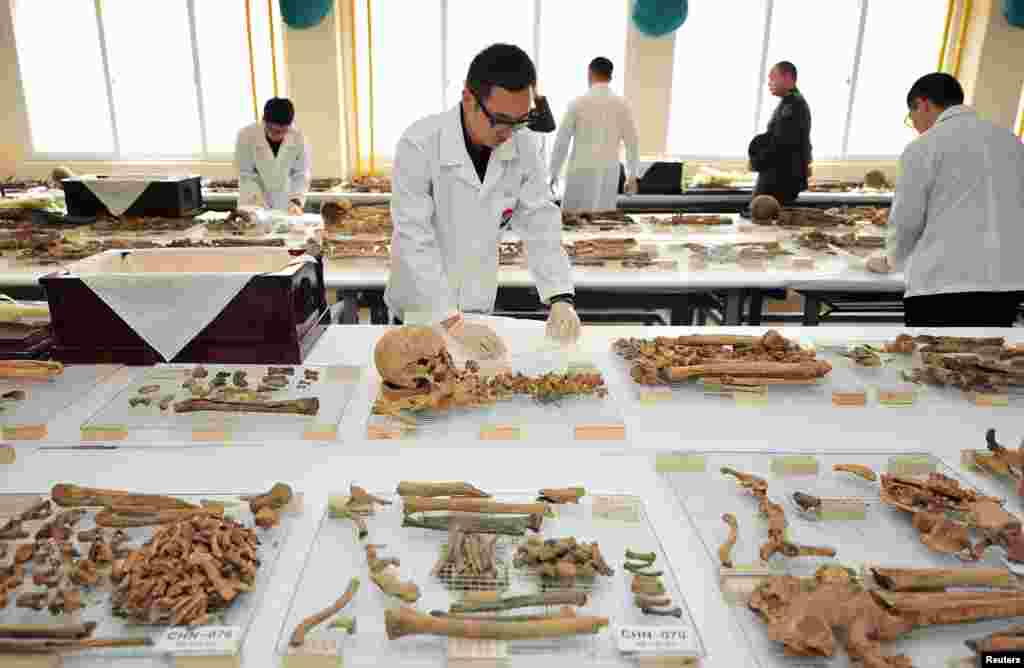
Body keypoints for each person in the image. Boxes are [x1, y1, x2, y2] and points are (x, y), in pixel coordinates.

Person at [384, 43, 581, 356]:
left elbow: (540, 222)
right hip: (421, 311)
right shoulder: (420, 144)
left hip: (478, 308)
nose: (509, 132)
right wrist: (450, 321)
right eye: (500, 119)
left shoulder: (524, 144)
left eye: (519, 120)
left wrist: (560, 297)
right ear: (468, 98)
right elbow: (414, 238)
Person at [866, 73, 1024, 326]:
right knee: (989, 359)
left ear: (924, 103)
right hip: (1007, 281)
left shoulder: (923, 147)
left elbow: (907, 219)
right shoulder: (1012, 142)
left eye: (912, 115)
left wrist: (891, 259)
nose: (915, 124)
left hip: (942, 283)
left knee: (931, 361)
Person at [549, 57, 640, 211]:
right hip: (608, 173)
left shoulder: (577, 103)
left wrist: (553, 172)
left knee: (573, 223)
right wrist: (632, 175)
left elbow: (561, 142)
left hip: (580, 171)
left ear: (589, 73)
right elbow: (632, 143)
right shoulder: (623, 105)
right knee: (602, 222)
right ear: (610, 77)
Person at [748, 61, 812, 208]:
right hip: (779, 176)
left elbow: (782, 144)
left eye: (772, 77)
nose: (769, 83)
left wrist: (757, 160)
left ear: (788, 77)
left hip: (780, 178)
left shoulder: (794, 105)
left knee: (762, 220)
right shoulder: (789, 102)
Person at [235, 98, 311, 214]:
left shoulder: (298, 137)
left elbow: (301, 174)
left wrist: (296, 201)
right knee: (254, 228)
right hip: (252, 201)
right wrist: (257, 201)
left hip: (285, 203)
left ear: (289, 126)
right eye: (271, 130)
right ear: (264, 121)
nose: (276, 135)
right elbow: (246, 174)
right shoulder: (246, 135)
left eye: (282, 131)